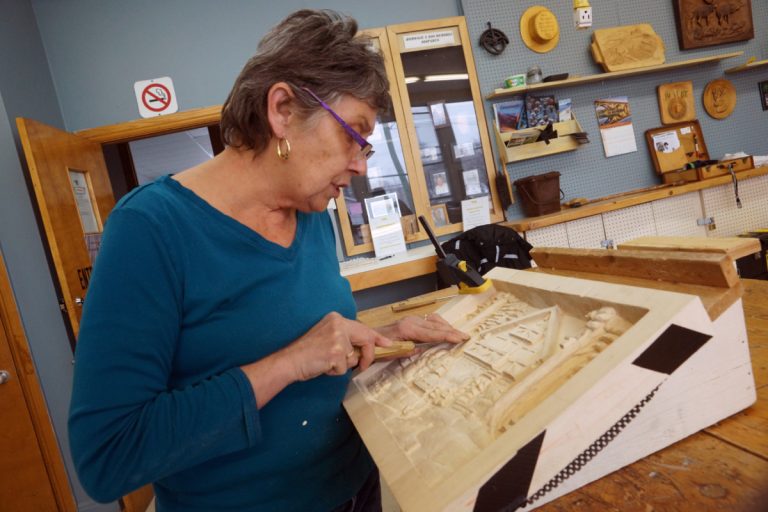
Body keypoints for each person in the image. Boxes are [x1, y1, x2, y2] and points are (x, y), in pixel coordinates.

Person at [68, 9, 468, 512]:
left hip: (356, 487)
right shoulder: (151, 230)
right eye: (354, 135)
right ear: (282, 110)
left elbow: (313, 338)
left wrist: (385, 338)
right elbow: (108, 456)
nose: (362, 165)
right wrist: (288, 364)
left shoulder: (312, 213)